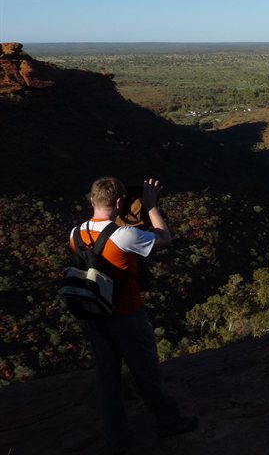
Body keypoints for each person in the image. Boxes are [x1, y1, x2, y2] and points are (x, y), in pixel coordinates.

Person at [70, 177, 196, 453]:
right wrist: (150, 206)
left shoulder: (75, 233)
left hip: (95, 313)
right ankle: (168, 421)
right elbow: (165, 238)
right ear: (119, 202)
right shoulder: (123, 235)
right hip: (127, 314)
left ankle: (116, 438)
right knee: (145, 371)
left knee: (107, 377)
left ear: (92, 200)